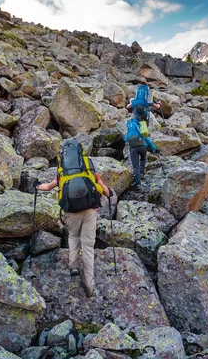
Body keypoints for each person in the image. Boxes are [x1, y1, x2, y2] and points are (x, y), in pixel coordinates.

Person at [35, 140, 111, 298]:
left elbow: (48, 186)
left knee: (73, 236)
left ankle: (74, 266)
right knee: (88, 246)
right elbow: (105, 191)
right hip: (89, 210)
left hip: (71, 211)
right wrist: (107, 192)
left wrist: (36, 186)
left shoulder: (63, 170)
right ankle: (89, 285)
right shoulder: (87, 167)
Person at [124, 117, 159, 188]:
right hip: (143, 147)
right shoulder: (140, 129)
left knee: (135, 166)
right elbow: (147, 139)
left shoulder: (129, 131)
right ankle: (141, 173)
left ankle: (137, 184)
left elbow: (125, 139)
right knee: (143, 159)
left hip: (133, 149)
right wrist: (155, 149)